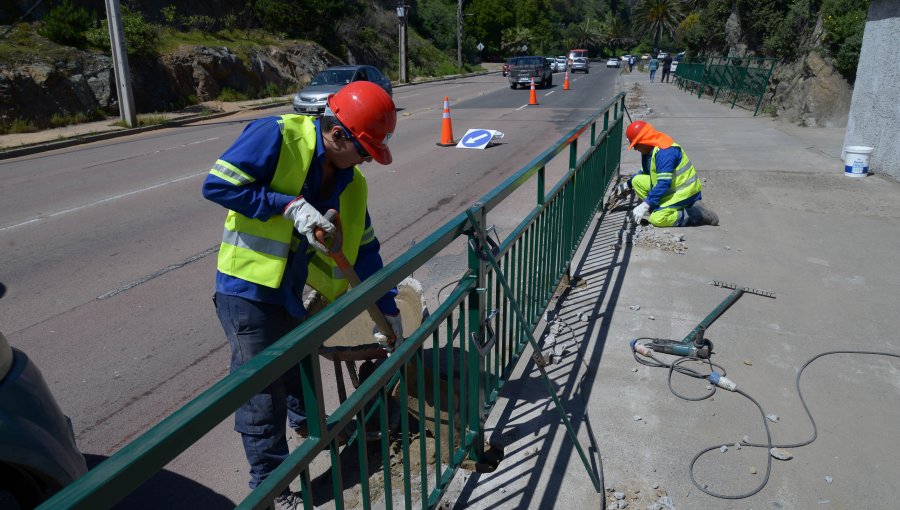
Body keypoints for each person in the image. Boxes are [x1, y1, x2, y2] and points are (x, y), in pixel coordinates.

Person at [201, 81, 404, 507]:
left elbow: (366, 251)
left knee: (300, 370)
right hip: (247, 288)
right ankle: (271, 488)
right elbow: (218, 185)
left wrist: (388, 311)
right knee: (261, 392)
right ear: (337, 133)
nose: (367, 158)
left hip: (292, 287)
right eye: (364, 148)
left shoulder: (353, 181)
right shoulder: (276, 135)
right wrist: (286, 205)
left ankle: (315, 433)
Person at [610, 120, 718, 227]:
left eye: (636, 144)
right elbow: (647, 172)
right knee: (636, 181)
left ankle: (698, 215)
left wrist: (645, 205)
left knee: (657, 219)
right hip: (673, 188)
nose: (635, 148)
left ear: (644, 140)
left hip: (685, 192)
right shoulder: (650, 148)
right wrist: (627, 185)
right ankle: (662, 208)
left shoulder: (664, 152)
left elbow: (663, 183)